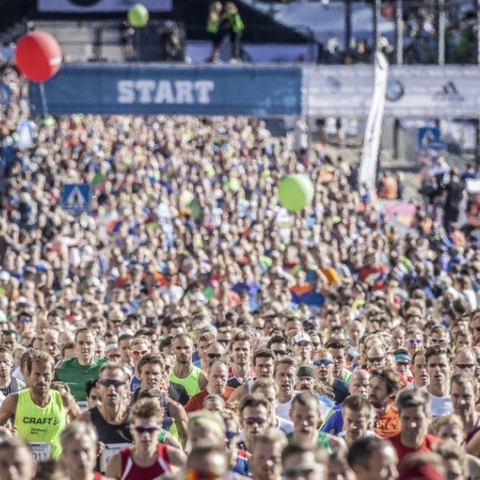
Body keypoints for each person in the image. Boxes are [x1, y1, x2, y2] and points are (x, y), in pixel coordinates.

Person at [0, 350, 78, 460]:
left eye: (46, 374)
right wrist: (6, 432)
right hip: (24, 468)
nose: (41, 380)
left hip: (54, 470)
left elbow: (83, 423)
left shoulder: (64, 399)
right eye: (37, 374)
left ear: (52, 375)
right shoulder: (14, 399)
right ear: (28, 375)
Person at [106, 398, 186, 479]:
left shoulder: (176, 458)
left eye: (150, 429)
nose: (145, 435)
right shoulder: (118, 462)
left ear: (159, 429)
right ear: (132, 430)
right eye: (140, 430)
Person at [78, 362, 132, 472]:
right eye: (106, 383)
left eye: (117, 383)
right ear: (98, 386)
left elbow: (159, 447)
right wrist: (89, 451)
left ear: (126, 387)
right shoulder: (86, 419)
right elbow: (69, 455)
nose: (111, 388)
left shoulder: (138, 418)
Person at [387, 389, 442, 465]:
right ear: (399, 417)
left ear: (428, 418)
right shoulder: (386, 449)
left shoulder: (439, 449)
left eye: (417, 418)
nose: (412, 425)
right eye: (406, 418)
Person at [56, 328, 107, 403]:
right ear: (75, 346)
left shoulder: (106, 367)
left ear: (96, 346)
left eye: (89, 343)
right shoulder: (63, 368)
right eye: (81, 343)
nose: (85, 347)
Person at [321, 368, 370, 435]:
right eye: (357, 385)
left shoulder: (377, 412)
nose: (361, 389)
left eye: (365, 386)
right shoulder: (337, 412)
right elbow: (322, 439)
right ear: (349, 388)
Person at [169, 334, 207, 399]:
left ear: (193, 349)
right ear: (173, 350)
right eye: (178, 348)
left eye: (186, 347)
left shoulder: (201, 377)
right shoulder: (167, 375)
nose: (183, 351)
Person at [368, 369, 401, 438]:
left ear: (391, 393)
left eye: (378, 388)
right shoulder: (359, 414)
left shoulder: (400, 419)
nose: (372, 391)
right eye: (370, 386)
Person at [423, 345, 453, 418]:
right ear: (426, 368)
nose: (437, 369)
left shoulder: (459, 397)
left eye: (442, 365)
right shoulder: (418, 397)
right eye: (432, 365)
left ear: (451, 368)